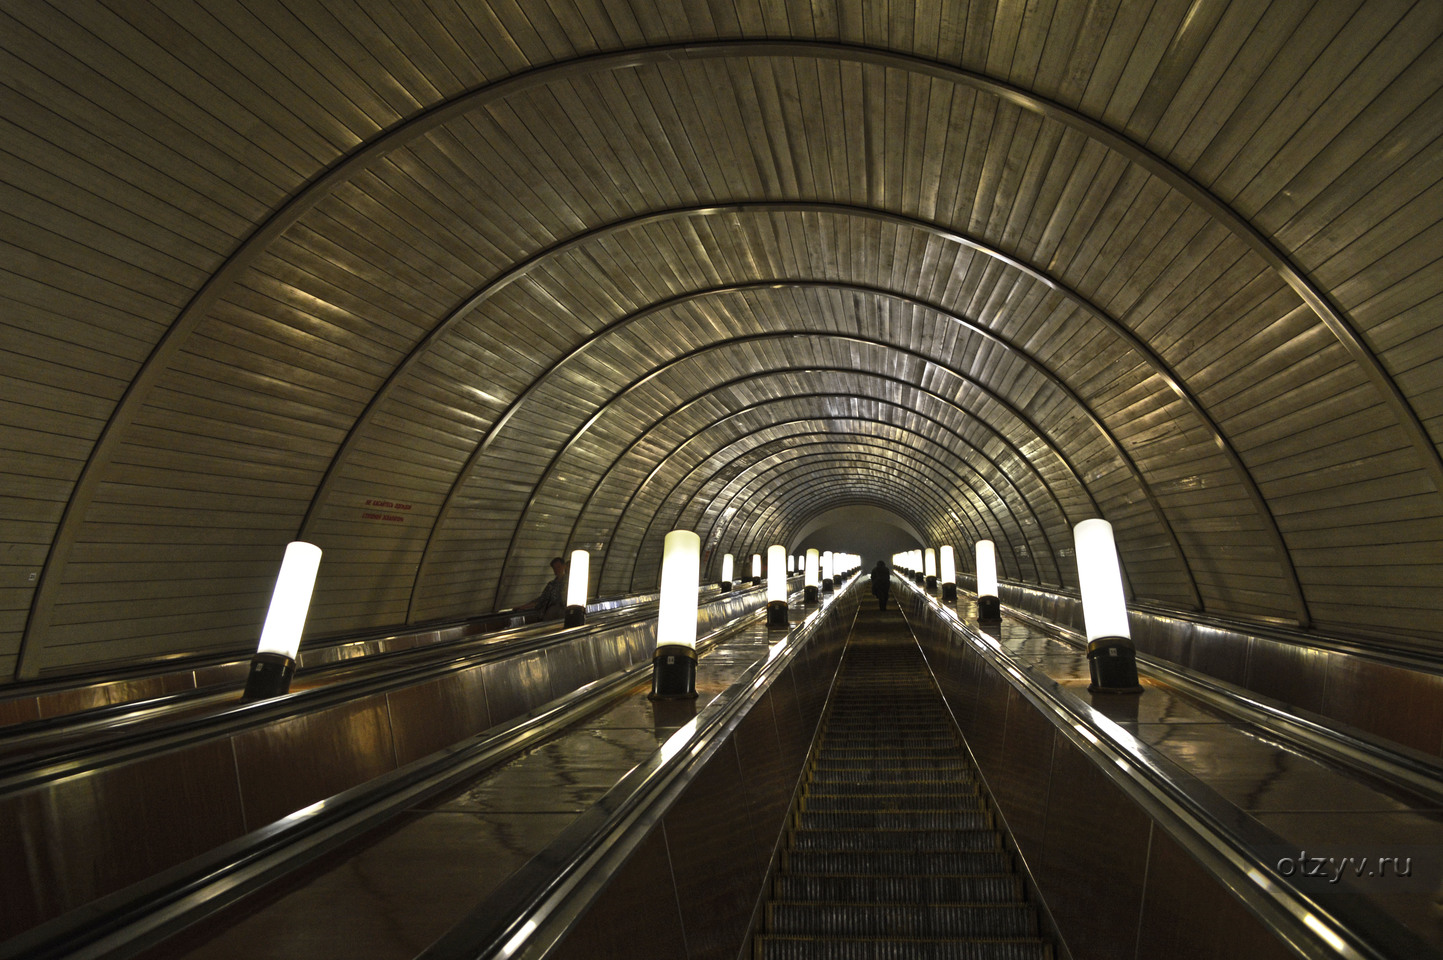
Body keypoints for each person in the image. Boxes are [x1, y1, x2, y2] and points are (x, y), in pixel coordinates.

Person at [516, 557, 567, 621]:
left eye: (558, 567)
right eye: (555, 568)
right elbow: (541, 599)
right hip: (552, 614)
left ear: (564, 566)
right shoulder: (551, 585)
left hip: (564, 615)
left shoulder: (571, 582)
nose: (557, 570)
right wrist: (523, 607)